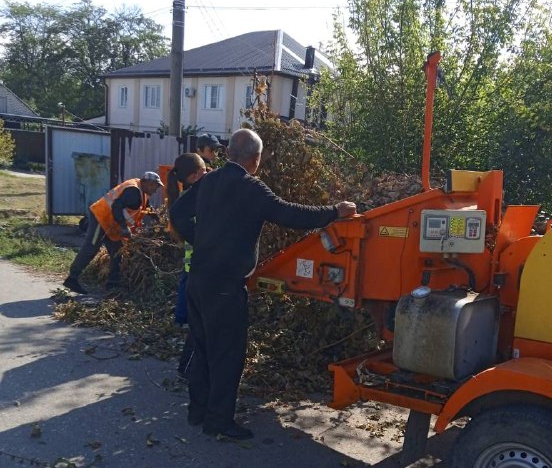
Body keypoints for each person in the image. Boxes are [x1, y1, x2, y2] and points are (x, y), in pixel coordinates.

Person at [170, 127, 357, 440]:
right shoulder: (250, 187)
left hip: (198, 280)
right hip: (226, 287)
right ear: (254, 160)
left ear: (229, 153)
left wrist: (200, 240)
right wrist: (334, 212)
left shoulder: (209, 181)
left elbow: (177, 212)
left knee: (202, 350)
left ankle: (197, 411)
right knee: (228, 355)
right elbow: (290, 214)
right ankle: (219, 422)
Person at [63, 171, 163, 295]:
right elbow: (116, 206)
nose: (156, 190)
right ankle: (72, 278)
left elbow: (147, 207)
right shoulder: (133, 192)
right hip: (101, 218)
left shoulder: (142, 192)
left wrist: (159, 219)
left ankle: (112, 284)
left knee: (117, 252)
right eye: (155, 186)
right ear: (146, 183)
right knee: (91, 248)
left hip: (111, 224)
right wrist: (124, 227)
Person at [165, 153, 207, 379]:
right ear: (194, 176)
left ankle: (188, 366)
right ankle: (187, 367)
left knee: (197, 323)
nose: (207, 174)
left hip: (191, 269)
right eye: (203, 172)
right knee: (199, 324)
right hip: (196, 270)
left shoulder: (186, 198)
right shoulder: (193, 200)